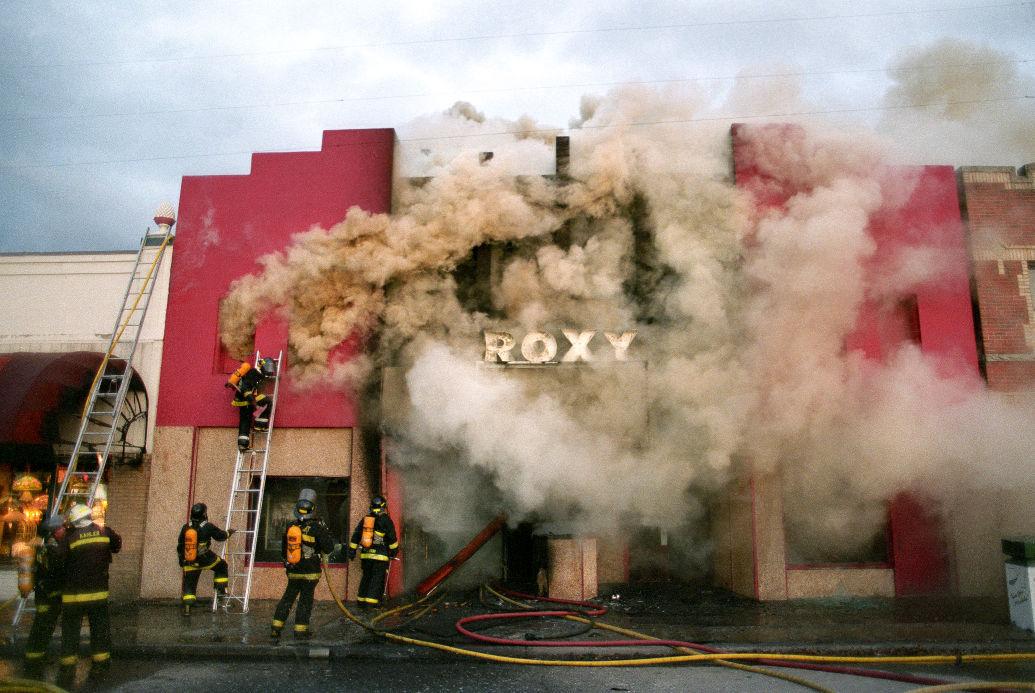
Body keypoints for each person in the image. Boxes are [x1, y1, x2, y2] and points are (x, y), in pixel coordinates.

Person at [54, 502, 121, 686]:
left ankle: (67, 667)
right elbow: (117, 545)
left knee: (70, 632)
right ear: (89, 517)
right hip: (98, 594)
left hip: (73, 597)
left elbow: (59, 562)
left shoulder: (69, 537)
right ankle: (101, 664)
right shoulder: (104, 532)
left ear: (74, 521)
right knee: (99, 630)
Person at [271, 489, 334, 641]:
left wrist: (289, 564)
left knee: (287, 599)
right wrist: (325, 531)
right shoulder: (317, 527)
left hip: (293, 569)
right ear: (312, 510)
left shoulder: (291, 527)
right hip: (310, 572)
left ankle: (275, 629)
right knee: (305, 601)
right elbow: (328, 548)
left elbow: (283, 550)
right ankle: (300, 631)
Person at [22, 513, 66, 679]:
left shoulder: (48, 546)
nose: (64, 530)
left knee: (44, 627)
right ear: (54, 531)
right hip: (47, 596)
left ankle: (37, 657)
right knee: (42, 627)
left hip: (47, 595)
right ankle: (33, 660)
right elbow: (54, 573)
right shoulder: (51, 549)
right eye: (61, 528)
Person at [176, 502, 233, 616]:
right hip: (206, 559)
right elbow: (220, 536)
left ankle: (187, 609)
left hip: (189, 561)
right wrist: (229, 532)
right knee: (222, 566)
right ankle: (221, 591)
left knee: (189, 584)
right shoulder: (208, 526)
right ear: (204, 514)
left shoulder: (186, 527)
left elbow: (180, 545)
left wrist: (182, 560)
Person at [346, 495, 399, 609]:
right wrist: (394, 551)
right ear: (383, 507)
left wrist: (352, 551)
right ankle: (371, 605)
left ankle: (361, 602)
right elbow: (392, 538)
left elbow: (356, 536)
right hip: (380, 558)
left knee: (366, 577)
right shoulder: (386, 520)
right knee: (376, 580)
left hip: (366, 556)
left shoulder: (366, 519)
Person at [227, 357, 276, 451]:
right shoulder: (253, 373)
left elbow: (258, 381)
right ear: (263, 367)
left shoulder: (258, 374)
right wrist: (252, 401)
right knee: (268, 401)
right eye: (268, 368)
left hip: (242, 401)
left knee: (245, 421)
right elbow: (245, 387)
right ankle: (259, 425)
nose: (270, 371)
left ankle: (243, 444)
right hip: (247, 399)